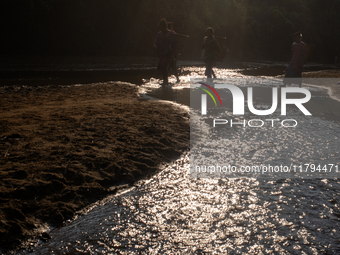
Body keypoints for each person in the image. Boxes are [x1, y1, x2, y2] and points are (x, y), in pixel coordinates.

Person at [153, 18, 176, 85]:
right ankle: (165, 80)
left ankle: (166, 81)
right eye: (160, 27)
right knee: (161, 67)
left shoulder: (170, 33)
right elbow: (155, 41)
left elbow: (171, 40)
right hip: (162, 52)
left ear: (164, 26)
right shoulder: (159, 33)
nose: (161, 28)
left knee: (165, 66)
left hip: (169, 53)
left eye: (162, 27)